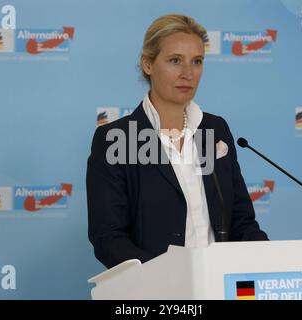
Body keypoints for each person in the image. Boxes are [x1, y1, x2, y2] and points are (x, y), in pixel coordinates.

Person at [86, 14, 268, 269]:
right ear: (148, 64)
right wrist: (168, 279)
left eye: (197, 61)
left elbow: (242, 222)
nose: (187, 73)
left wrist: (270, 261)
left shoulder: (215, 130)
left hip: (220, 285)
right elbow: (109, 239)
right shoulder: (116, 140)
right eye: (175, 61)